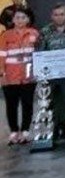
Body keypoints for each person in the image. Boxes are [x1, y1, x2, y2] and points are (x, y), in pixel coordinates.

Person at [36, 3, 65, 140]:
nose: (59, 17)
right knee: (51, 101)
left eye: (62, 14)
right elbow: (40, 52)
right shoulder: (45, 31)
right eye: (56, 14)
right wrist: (40, 70)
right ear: (52, 16)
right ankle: (53, 129)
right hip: (50, 74)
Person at [0, 9, 39, 145]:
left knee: (27, 104)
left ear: (28, 19)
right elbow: (1, 55)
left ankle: (25, 131)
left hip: (28, 76)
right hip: (10, 77)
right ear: (13, 20)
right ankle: (14, 132)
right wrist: (1, 73)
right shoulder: (5, 35)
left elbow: (38, 53)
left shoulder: (35, 34)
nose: (20, 20)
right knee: (11, 105)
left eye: (23, 17)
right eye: (17, 17)